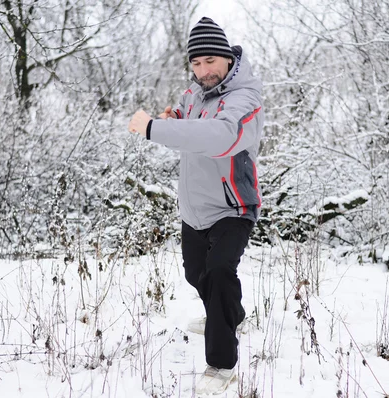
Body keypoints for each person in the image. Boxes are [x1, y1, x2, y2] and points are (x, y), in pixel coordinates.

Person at [128, 16, 264, 395]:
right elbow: (189, 116)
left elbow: (220, 136)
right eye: (196, 63)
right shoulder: (194, 93)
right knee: (197, 276)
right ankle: (230, 314)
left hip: (233, 206)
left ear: (226, 58)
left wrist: (156, 127)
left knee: (219, 272)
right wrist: (174, 116)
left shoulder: (245, 98)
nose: (203, 71)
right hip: (194, 208)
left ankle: (221, 365)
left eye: (209, 62)